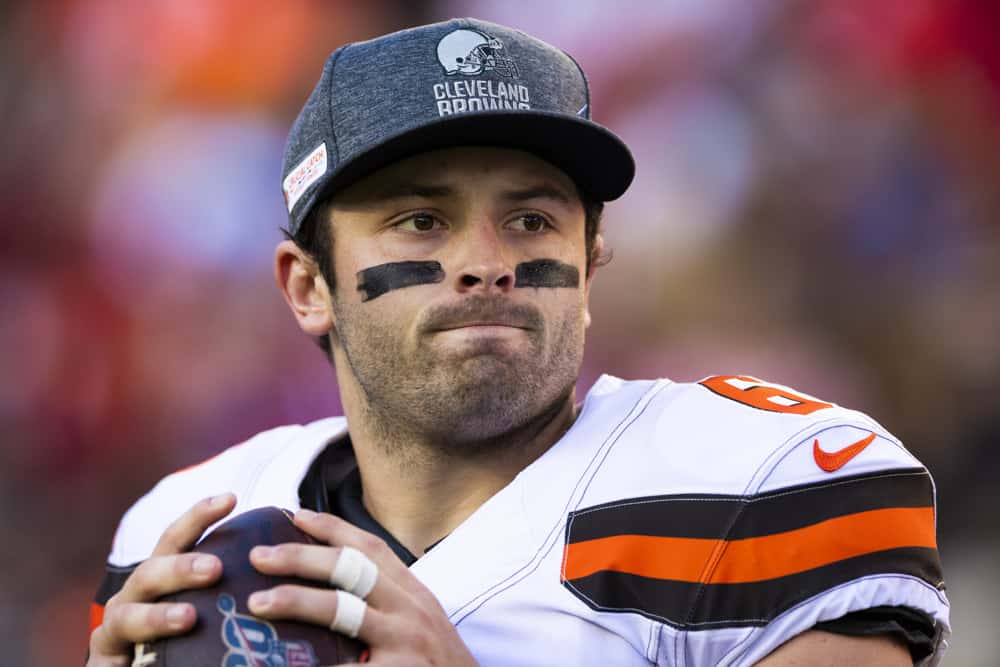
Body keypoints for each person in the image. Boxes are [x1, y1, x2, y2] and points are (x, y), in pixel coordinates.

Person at [87, 18, 950, 666]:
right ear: (309, 286)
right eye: (422, 220)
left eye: (530, 218)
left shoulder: (760, 485)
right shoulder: (188, 529)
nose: (485, 264)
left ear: (589, 264)